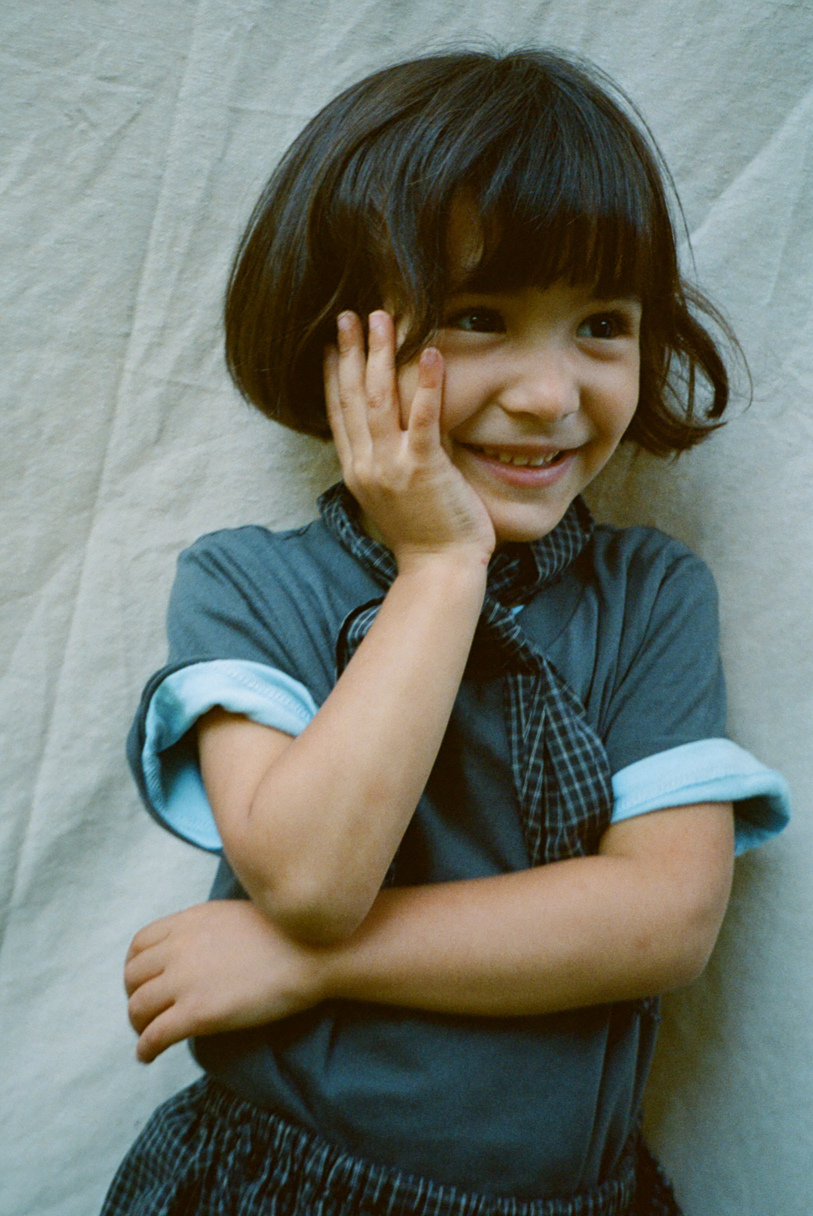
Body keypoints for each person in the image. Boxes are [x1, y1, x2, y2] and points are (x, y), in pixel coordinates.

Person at [102, 48, 790, 1216]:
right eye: (480, 318)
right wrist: (439, 560)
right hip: (282, 1181)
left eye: (601, 325)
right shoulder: (255, 588)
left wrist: (306, 960)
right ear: (339, 338)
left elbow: (663, 918)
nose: (549, 393)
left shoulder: (650, 597)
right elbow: (312, 877)